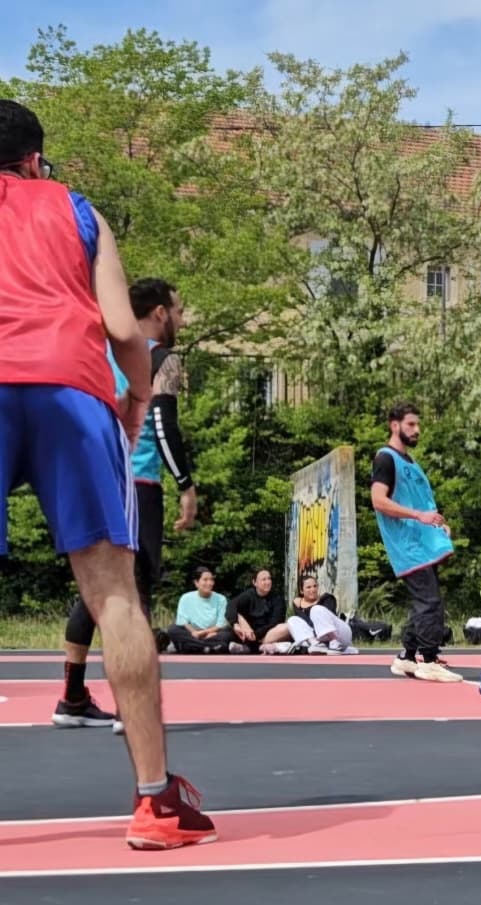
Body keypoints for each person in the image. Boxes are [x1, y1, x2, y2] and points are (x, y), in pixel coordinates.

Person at [0, 98, 214, 847]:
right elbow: (125, 329)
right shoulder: (77, 209)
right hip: (72, 387)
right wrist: (137, 400)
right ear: (35, 159)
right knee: (115, 593)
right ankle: (155, 803)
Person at [57, 276, 199, 726]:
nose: (180, 318)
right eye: (177, 310)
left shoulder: (100, 352)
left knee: (98, 587)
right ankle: (129, 706)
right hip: (137, 483)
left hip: (92, 476)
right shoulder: (161, 359)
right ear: (159, 312)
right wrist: (186, 484)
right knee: (136, 590)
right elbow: (161, 425)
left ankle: (73, 697)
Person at [372, 402, 460, 682]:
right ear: (394, 425)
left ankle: (407, 657)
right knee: (430, 602)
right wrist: (418, 516)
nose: (417, 430)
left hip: (422, 542)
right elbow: (378, 500)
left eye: (417, 424)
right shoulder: (385, 458)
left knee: (426, 601)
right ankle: (429, 659)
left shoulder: (410, 462)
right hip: (407, 544)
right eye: (411, 424)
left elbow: (422, 503)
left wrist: (437, 525)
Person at [227, 569, 285, 654]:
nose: (268, 582)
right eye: (264, 579)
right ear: (255, 583)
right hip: (247, 633)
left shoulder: (277, 598)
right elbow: (231, 605)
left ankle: (250, 647)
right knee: (237, 616)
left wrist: (256, 634)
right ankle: (253, 647)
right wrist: (235, 624)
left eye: (269, 579)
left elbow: (275, 622)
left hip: (266, 634)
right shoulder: (248, 595)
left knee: (285, 627)